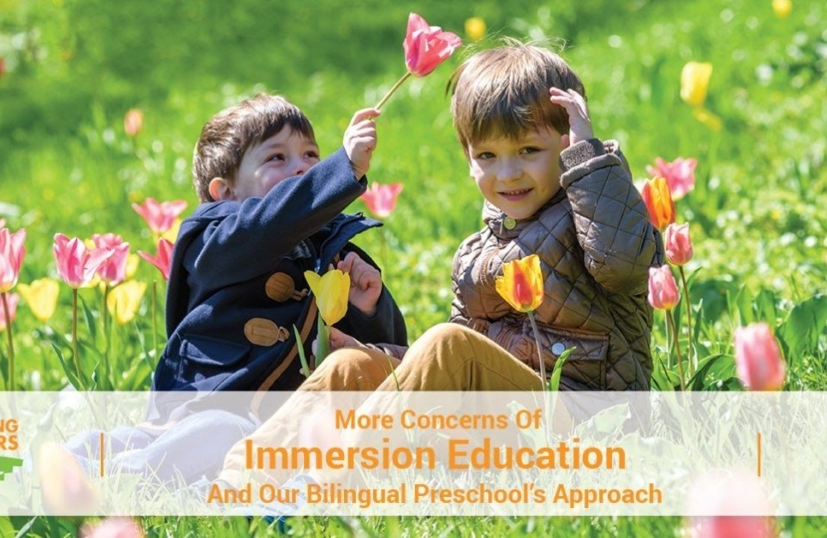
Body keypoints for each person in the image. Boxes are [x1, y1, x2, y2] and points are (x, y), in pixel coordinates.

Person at [215, 39, 663, 489]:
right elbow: (460, 367)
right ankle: (239, 482)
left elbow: (624, 265)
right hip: (506, 419)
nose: (507, 174)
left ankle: (328, 483)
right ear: (468, 159)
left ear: (567, 141)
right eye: (487, 155)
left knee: (448, 343)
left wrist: (587, 159)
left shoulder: (594, 212)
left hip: (591, 422)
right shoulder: (477, 253)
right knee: (349, 367)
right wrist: (389, 359)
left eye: (528, 150)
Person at [153, 93, 408, 395]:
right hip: (207, 399)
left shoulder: (332, 248)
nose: (302, 168)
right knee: (219, 429)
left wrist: (368, 311)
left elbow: (387, 351)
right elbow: (266, 226)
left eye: (311, 155)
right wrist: (343, 169)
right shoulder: (216, 239)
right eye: (277, 157)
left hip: (292, 419)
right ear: (225, 191)